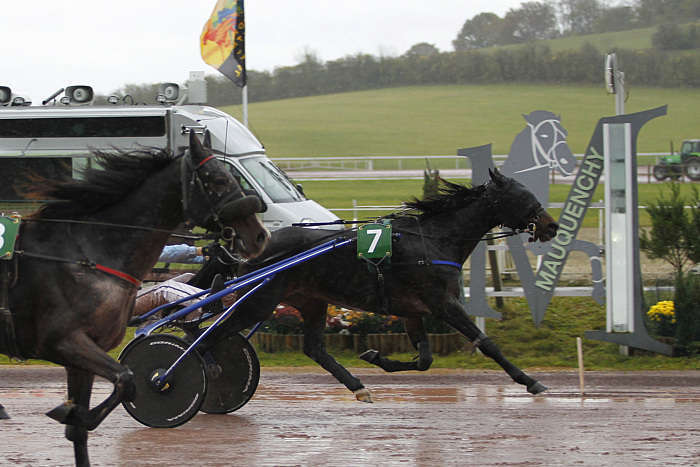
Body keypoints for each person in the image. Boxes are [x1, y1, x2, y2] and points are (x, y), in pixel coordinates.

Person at [132, 244, 225, 319]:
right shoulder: (126, 248)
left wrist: (206, 258)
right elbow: (160, 253)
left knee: (188, 278)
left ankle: (221, 300)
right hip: (128, 303)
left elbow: (168, 254)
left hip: (131, 298)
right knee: (165, 289)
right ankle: (207, 303)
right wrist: (199, 250)